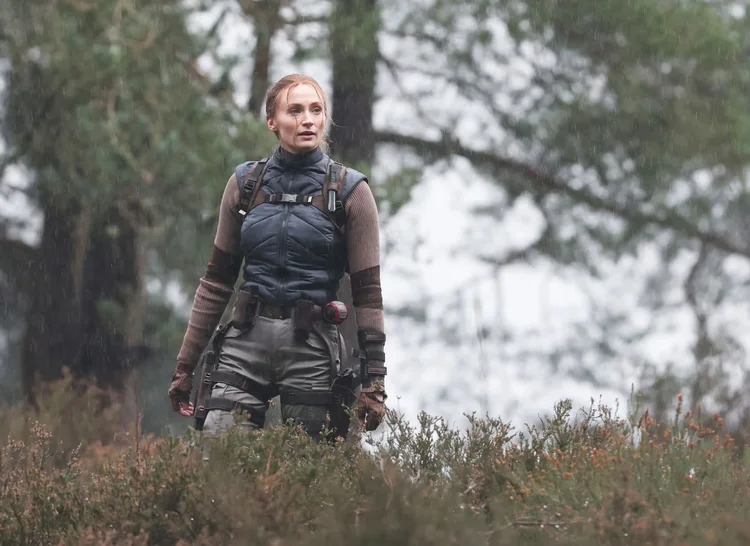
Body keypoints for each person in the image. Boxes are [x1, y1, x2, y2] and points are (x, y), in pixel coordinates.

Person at [167, 74, 387, 441]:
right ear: (272, 121)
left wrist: (374, 381)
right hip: (244, 342)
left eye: (316, 110)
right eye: (295, 110)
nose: (307, 120)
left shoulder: (351, 192)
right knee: (219, 454)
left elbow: (368, 294)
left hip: (313, 348)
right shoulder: (245, 184)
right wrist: (185, 365)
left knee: (309, 466)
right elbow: (217, 282)